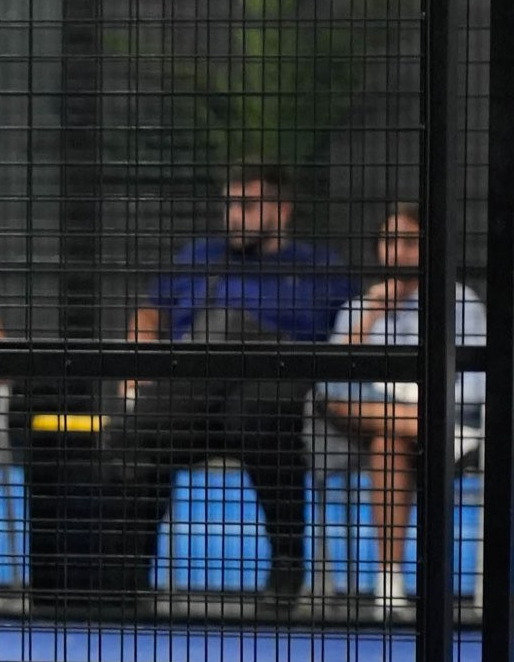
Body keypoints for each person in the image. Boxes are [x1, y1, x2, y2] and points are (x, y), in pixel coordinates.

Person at [112, 166, 351, 612]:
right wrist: (139, 356)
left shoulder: (321, 268)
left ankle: (286, 566)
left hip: (273, 394)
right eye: (230, 206)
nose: (235, 217)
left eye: (248, 205)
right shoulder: (197, 257)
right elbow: (149, 313)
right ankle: (127, 577)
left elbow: (345, 339)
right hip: (193, 397)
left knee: (257, 409)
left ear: (282, 210)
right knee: (133, 432)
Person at [316, 203, 486, 621]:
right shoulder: (360, 307)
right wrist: (372, 315)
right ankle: (389, 583)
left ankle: (388, 581)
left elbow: (476, 386)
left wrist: (420, 404)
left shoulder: (461, 303)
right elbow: (330, 381)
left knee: (388, 441)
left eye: (409, 241)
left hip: (443, 415)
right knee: (344, 404)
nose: (397, 251)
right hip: (373, 421)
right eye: (389, 241)